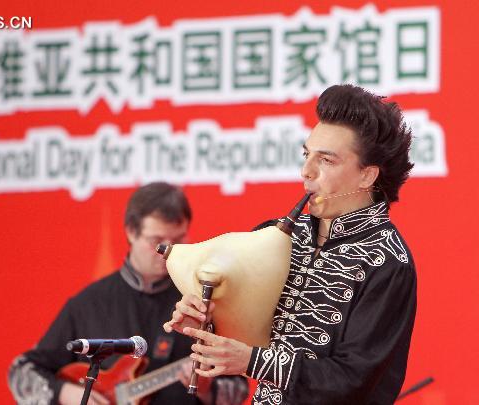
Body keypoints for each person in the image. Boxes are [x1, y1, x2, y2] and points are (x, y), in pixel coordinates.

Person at [164, 84, 417, 404]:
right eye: (306, 155)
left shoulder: (388, 262)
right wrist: (207, 321)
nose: (306, 172)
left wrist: (252, 361)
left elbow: (354, 379)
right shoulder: (278, 240)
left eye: (326, 160)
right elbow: (245, 332)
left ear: (366, 176)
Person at [8, 182, 249, 405]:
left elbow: (239, 387)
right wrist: (66, 393)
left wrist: (207, 389)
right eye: (156, 240)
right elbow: (21, 372)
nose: (168, 251)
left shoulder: (199, 301)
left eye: (178, 239)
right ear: (131, 233)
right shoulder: (88, 304)